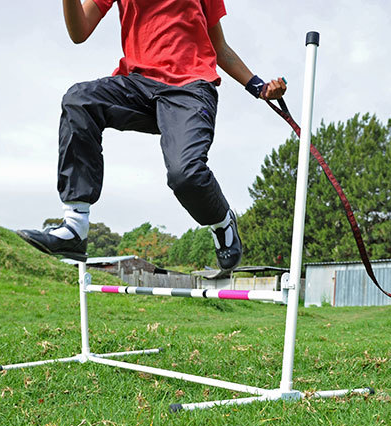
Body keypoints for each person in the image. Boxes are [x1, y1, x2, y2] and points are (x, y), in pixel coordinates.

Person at [17, 0, 287, 272]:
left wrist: (258, 87)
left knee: (186, 175)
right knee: (79, 101)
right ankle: (75, 227)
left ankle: (221, 222)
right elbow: (79, 33)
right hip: (139, 86)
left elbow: (220, 48)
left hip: (190, 90)